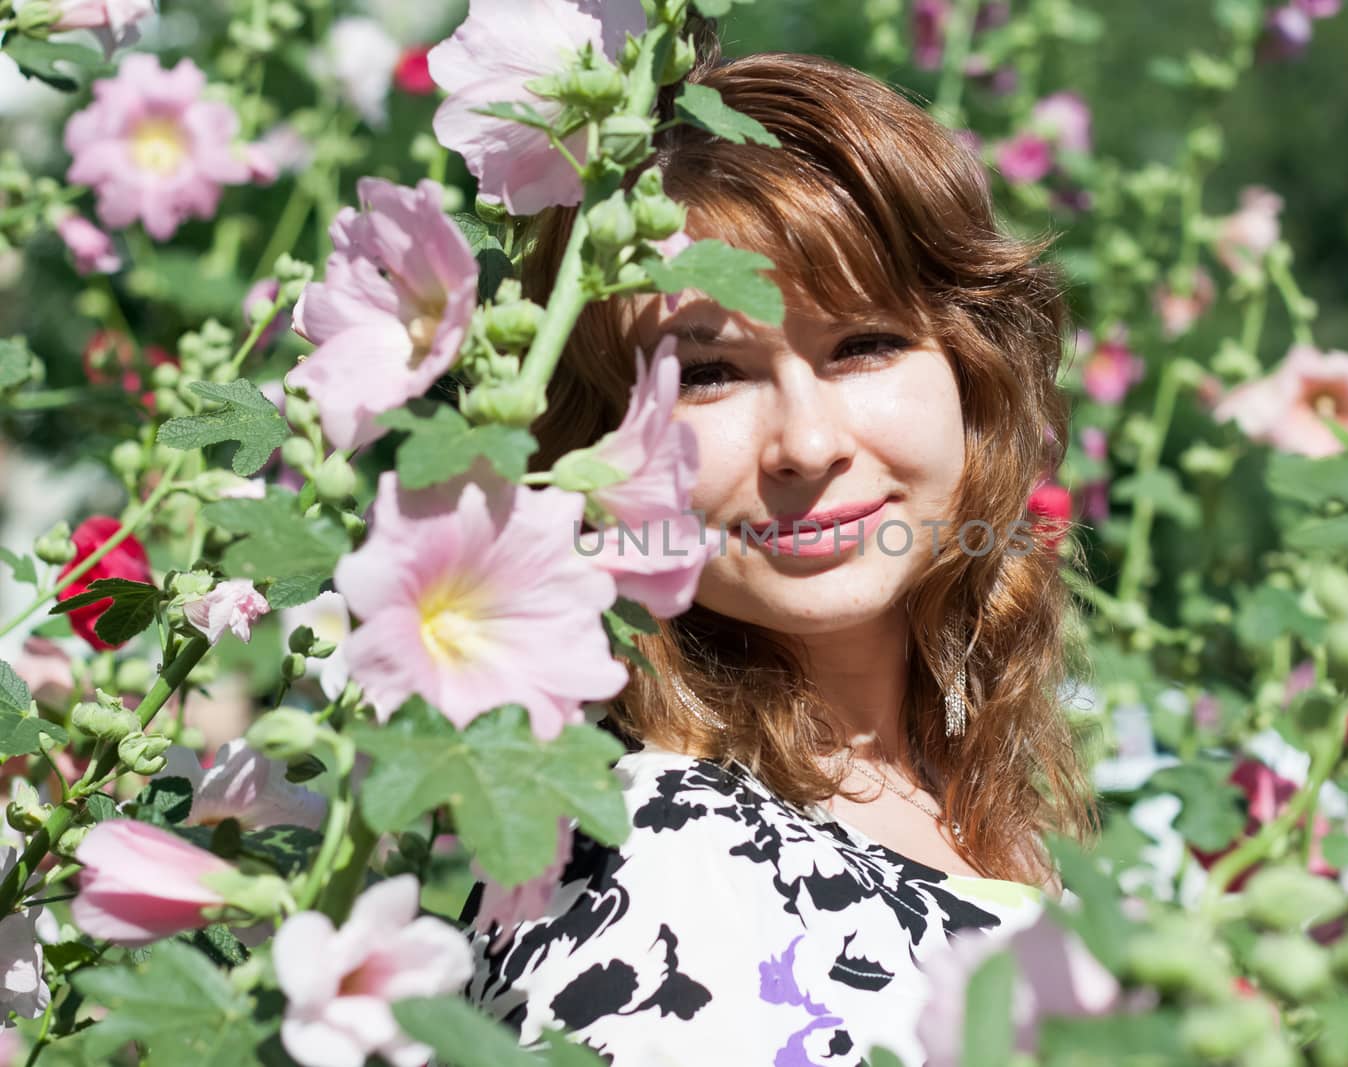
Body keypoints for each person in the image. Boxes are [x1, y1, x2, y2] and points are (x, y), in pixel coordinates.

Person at [459, 30, 1095, 1067]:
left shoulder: (964, 783)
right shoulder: (637, 851)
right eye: (709, 372)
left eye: (863, 345)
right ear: (594, 440)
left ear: (971, 371)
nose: (806, 442)